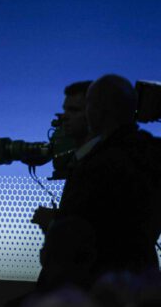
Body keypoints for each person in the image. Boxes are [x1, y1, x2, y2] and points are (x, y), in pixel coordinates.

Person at [37, 74, 161, 279]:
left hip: (98, 287)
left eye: (78, 109)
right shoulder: (151, 153)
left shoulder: (96, 166)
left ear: (95, 112)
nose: (64, 117)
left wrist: (53, 225)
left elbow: (77, 245)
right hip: (141, 282)